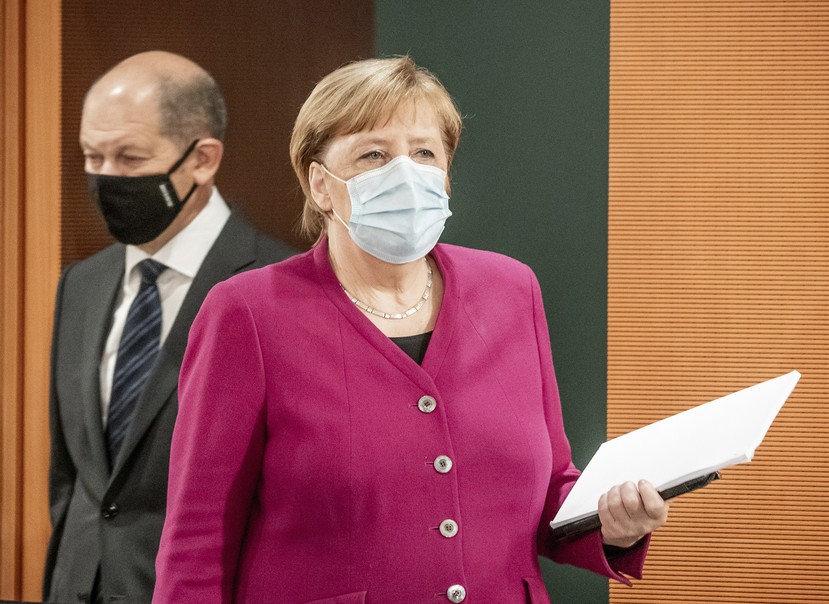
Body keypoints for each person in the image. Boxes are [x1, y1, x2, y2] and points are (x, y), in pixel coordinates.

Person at [153, 56, 667, 603]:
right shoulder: (248, 313)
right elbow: (197, 538)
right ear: (320, 185)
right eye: (373, 154)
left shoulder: (512, 291)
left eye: (424, 153)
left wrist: (614, 522)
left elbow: (547, 490)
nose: (404, 171)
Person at [43, 51, 293, 603]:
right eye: (92, 156)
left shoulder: (281, 288)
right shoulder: (80, 284)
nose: (105, 178)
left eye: (129, 158)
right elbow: (75, 481)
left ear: (202, 159)